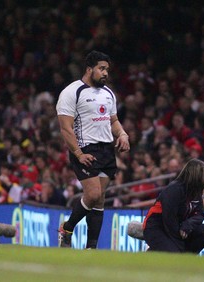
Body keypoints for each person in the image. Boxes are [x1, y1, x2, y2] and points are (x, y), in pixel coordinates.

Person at [56, 50, 130, 249]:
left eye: (107, 69)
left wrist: (122, 134)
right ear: (90, 69)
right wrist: (78, 153)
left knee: (100, 200)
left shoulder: (108, 94)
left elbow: (113, 120)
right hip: (85, 149)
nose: (106, 73)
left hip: (106, 149)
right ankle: (67, 228)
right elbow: (65, 127)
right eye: (102, 69)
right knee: (94, 194)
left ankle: (91, 248)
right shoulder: (72, 92)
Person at [142, 158, 204, 253]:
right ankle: (155, 251)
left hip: (180, 227)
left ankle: (186, 256)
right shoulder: (175, 189)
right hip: (157, 226)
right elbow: (169, 218)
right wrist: (178, 242)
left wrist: (187, 225)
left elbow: (200, 215)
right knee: (175, 254)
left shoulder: (196, 192)